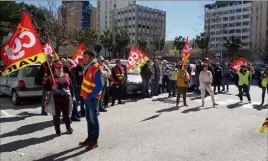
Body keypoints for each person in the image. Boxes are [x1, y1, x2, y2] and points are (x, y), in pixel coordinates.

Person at [79, 50, 102, 150]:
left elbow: (99, 86)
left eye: (85, 56)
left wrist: (92, 96)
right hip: (86, 98)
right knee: (89, 119)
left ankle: (94, 140)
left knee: (93, 120)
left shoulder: (95, 67)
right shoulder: (88, 67)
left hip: (91, 99)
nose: (83, 58)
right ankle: (89, 138)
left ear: (92, 57)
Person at [45, 61, 74, 136]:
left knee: (67, 115)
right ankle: (57, 130)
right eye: (57, 67)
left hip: (66, 97)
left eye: (60, 67)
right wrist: (51, 87)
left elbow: (71, 87)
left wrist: (73, 96)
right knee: (56, 115)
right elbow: (46, 88)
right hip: (56, 99)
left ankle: (68, 127)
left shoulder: (66, 75)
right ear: (54, 68)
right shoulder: (51, 77)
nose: (59, 69)